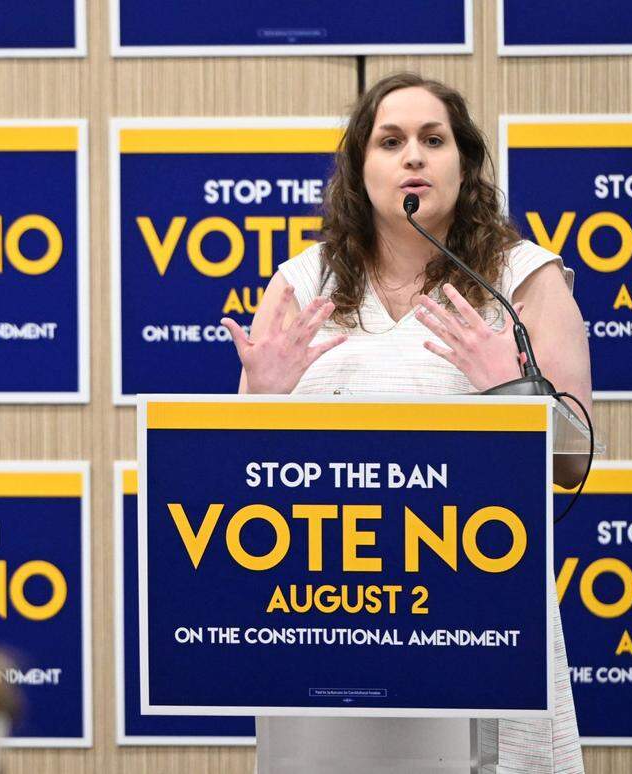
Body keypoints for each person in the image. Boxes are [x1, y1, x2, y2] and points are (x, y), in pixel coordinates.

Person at [221, 72, 591, 773]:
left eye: (433, 139)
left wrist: (512, 391)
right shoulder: (301, 285)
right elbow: (239, 479)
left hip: (483, 622)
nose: (413, 157)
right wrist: (260, 403)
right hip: (329, 620)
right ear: (361, 169)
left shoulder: (522, 280)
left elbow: (573, 459)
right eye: (391, 141)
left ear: (465, 163)